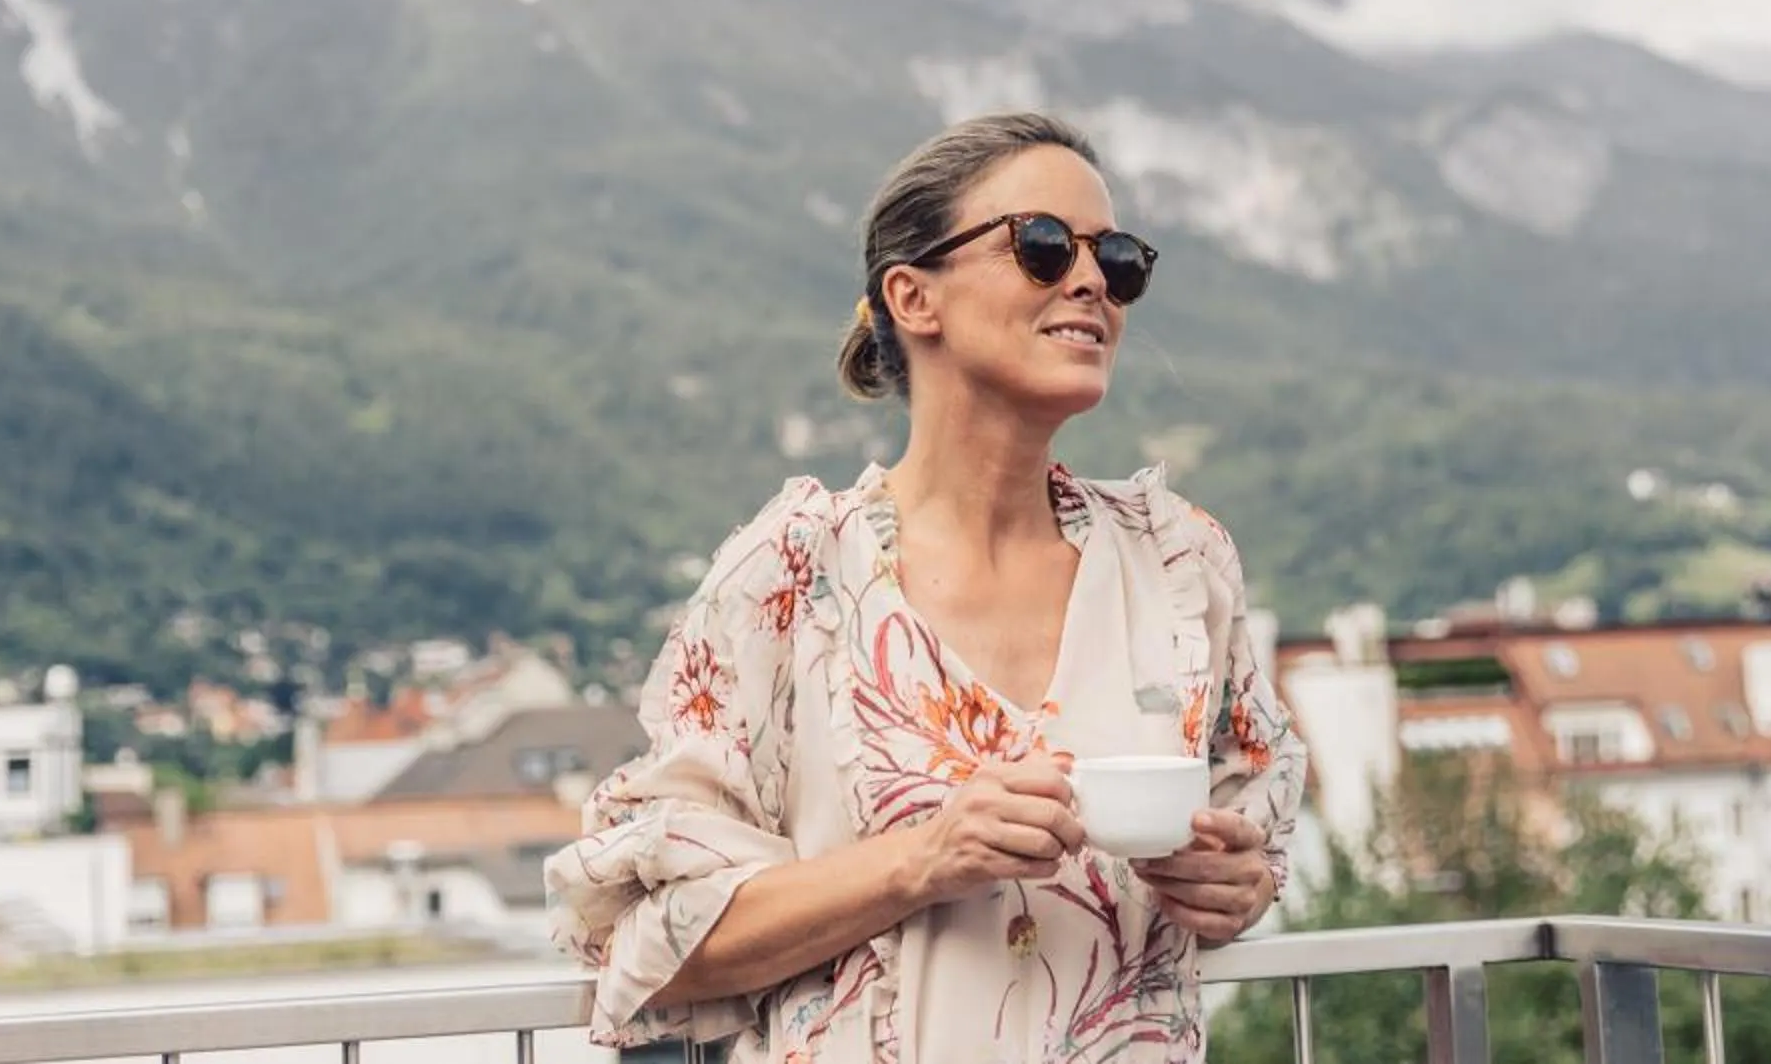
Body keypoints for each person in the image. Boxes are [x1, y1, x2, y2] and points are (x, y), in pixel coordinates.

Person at [548, 111, 1305, 1060]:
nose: (1089, 283)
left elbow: (1252, 828)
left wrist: (1238, 886)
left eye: (1116, 260)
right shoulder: (794, 571)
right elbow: (644, 940)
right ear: (913, 296)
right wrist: (920, 861)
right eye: (1040, 246)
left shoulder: (1180, 564)